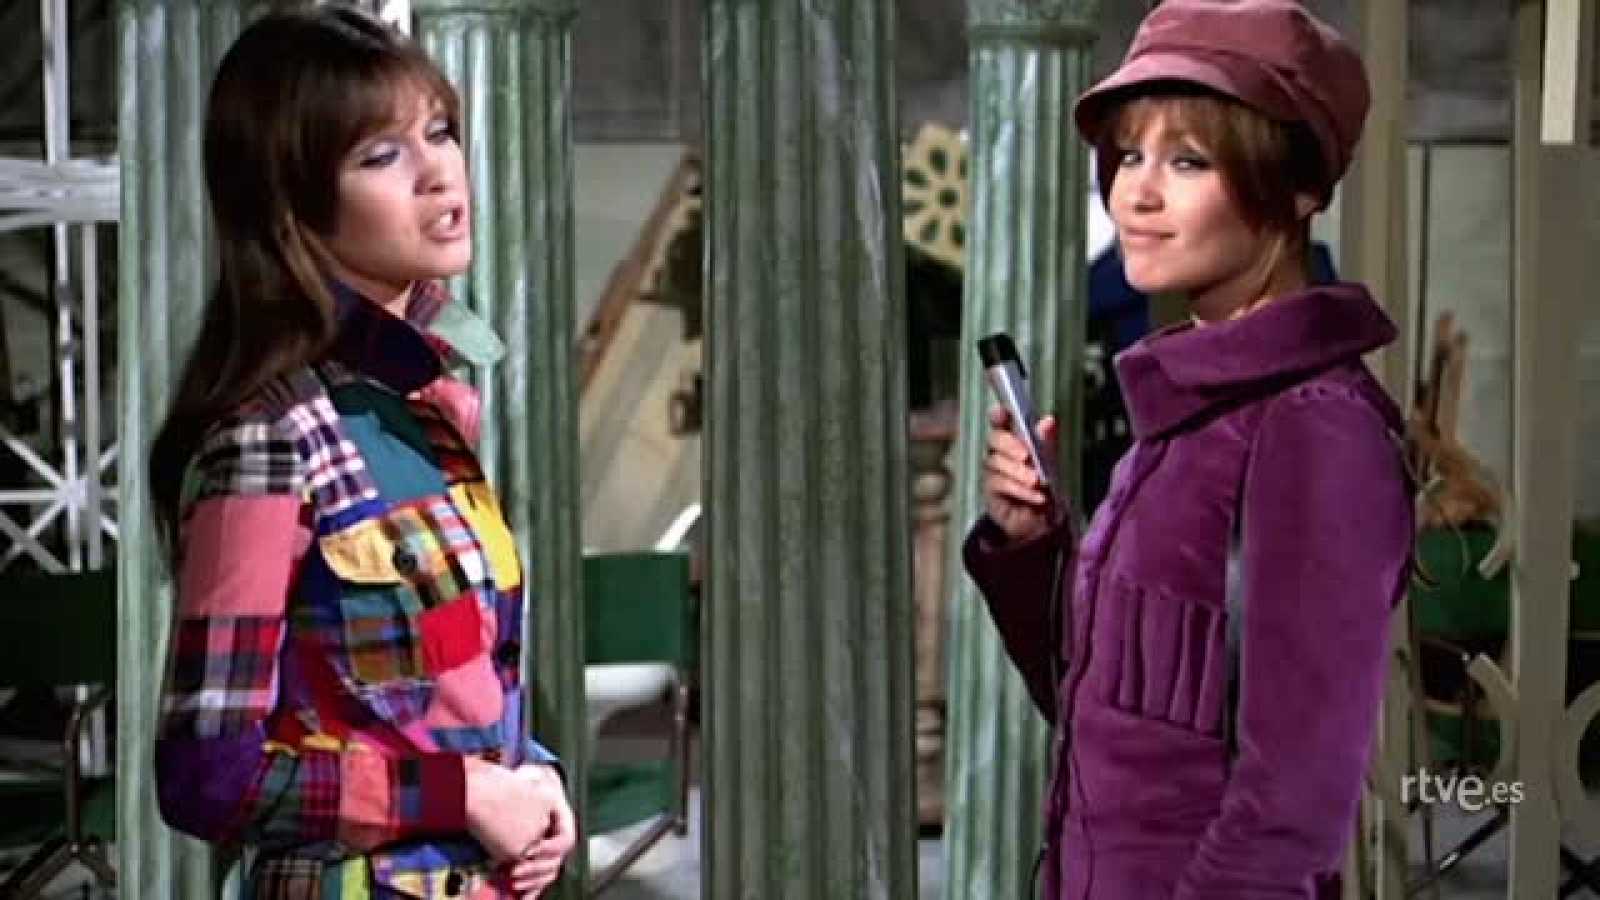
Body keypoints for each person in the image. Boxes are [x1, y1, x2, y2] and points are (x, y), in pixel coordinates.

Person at [965, 2, 1415, 898]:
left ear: (1300, 188)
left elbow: (1289, 815)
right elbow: (1100, 707)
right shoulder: (1187, 414)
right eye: (1129, 155)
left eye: (1188, 161)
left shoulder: (1315, 429)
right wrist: (1031, 544)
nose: (1136, 194)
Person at [147, 6, 575, 897]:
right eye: (381, 155)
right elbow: (207, 774)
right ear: (294, 205)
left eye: (439, 132)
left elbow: (449, 700)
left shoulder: (432, 410)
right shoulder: (267, 440)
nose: (438, 171)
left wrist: (533, 778)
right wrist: (460, 795)